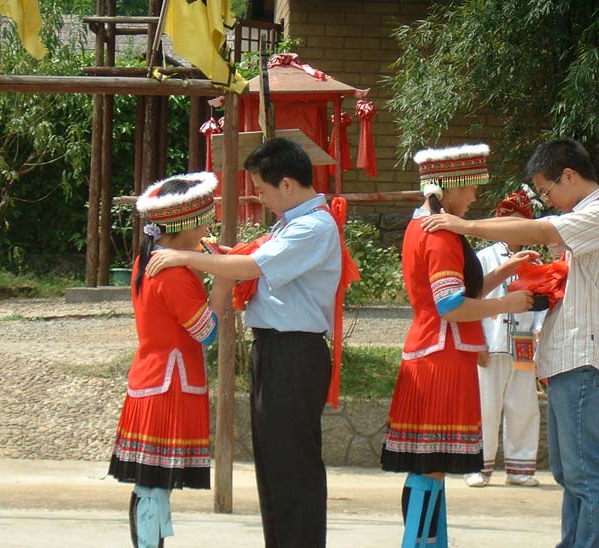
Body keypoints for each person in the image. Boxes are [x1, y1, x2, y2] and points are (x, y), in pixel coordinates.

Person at [145, 137, 342, 548]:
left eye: (263, 190)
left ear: (287, 184)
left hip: (295, 351)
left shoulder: (313, 226)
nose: (261, 198)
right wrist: (214, 255)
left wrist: (187, 257)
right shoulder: (290, 223)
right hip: (274, 349)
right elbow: (249, 258)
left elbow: (251, 265)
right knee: (274, 465)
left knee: (294, 464)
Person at [422, 137, 599, 548]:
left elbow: (538, 229)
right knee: (569, 473)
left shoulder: (593, 214)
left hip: (582, 360)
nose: (547, 200)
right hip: (564, 359)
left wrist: (465, 226)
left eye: (547, 190)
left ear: (569, 176)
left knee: (585, 474)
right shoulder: (577, 218)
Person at [381, 143, 535, 547]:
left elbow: (455, 295)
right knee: (430, 467)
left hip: (432, 351)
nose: (473, 195)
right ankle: (418, 543)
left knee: (428, 467)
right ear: (449, 187)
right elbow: (450, 306)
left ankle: (428, 542)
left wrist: (503, 272)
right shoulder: (441, 235)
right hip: (442, 357)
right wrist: (505, 303)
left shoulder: (423, 226)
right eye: (470, 186)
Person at [109, 172, 230, 548]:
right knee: (153, 483)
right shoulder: (173, 273)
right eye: (203, 223)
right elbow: (206, 331)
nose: (207, 230)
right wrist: (223, 282)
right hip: (170, 385)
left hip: (154, 377)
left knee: (151, 481)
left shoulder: (148, 260)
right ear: (183, 225)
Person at [464, 188, 545, 489]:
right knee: (484, 406)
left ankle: (520, 469)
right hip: (491, 341)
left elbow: (542, 305)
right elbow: (471, 300)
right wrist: (477, 342)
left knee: (523, 407)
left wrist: (539, 334)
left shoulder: (535, 263)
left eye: (522, 222)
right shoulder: (483, 258)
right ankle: (478, 468)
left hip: (523, 345)